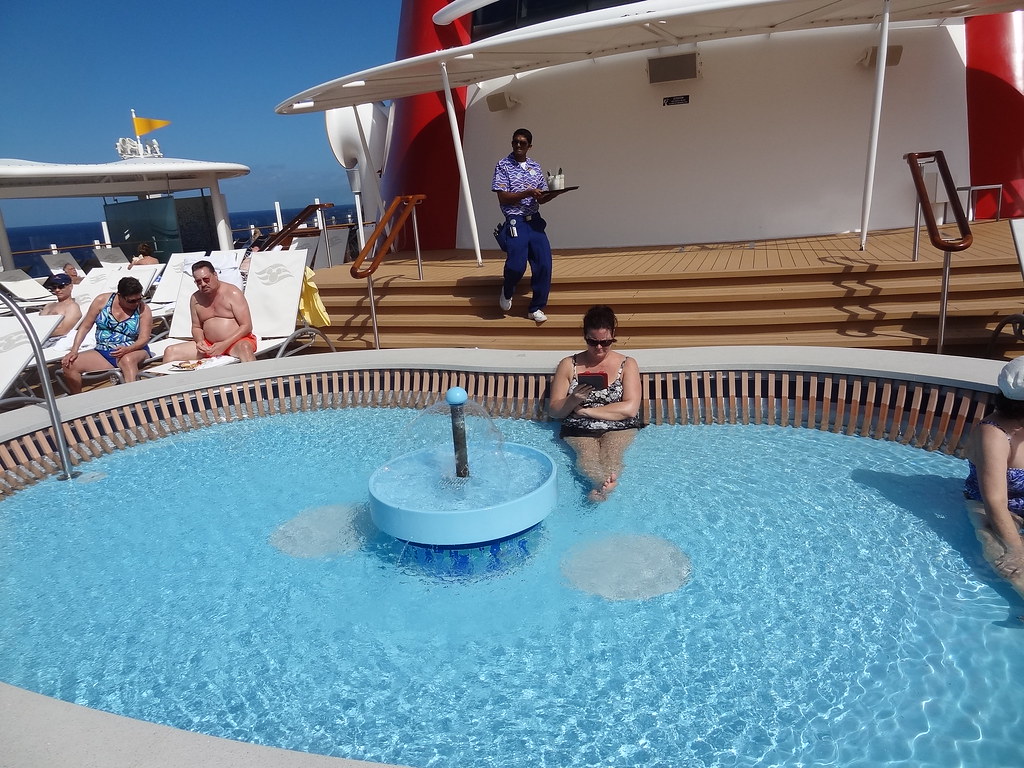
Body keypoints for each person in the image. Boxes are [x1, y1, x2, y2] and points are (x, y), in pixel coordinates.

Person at [548, 306, 643, 501]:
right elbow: (554, 411)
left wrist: (586, 411)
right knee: (586, 456)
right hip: (578, 427)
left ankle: (600, 487)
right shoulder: (569, 365)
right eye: (593, 342)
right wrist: (573, 399)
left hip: (619, 426)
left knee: (613, 454)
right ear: (584, 336)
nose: (599, 348)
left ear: (613, 336)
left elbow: (630, 408)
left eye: (605, 342)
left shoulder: (628, 364)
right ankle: (602, 484)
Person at [964, 357, 1024, 599]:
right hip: (988, 504)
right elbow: (995, 502)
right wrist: (1016, 549)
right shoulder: (994, 434)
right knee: (993, 540)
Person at [492, 128, 557, 324]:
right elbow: (503, 197)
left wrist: (554, 192)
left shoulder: (535, 167)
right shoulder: (503, 165)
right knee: (516, 265)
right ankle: (508, 289)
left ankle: (536, 307)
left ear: (530, 146)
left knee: (544, 264)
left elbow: (541, 198)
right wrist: (527, 193)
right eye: (515, 142)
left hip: (534, 221)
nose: (518, 146)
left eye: (522, 143)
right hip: (515, 221)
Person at [61, 276, 153, 393]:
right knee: (69, 364)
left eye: (139, 298)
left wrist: (128, 349)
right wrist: (74, 350)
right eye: (131, 301)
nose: (136, 303)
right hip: (103, 351)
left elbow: (144, 338)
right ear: (119, 296)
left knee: (127, 360)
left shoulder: (143, 309)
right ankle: (79, 400)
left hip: (134, 350)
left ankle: (134, 399)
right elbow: (85, 326)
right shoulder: (102, 301)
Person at [163, 260, 257, 363]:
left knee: (245, 348)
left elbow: (247, 326)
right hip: (208, 346)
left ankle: (254, 378)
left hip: (235, 342)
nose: (203, 284)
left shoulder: (232, 293)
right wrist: (200, 341)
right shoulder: (195, 299)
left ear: (215, 275)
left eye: (206, 279)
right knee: (170, 352)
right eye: (198, 281)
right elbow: (196, 327)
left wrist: (224, 344)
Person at [38, 273, 83, 340]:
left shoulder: (72, 307)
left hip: (52, 340)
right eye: (54, 287)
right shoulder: (49, 305)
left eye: (61, 286)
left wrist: (39, 333)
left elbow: (63, 331)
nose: (57, 290)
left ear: (70, 287)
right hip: (39, 337)